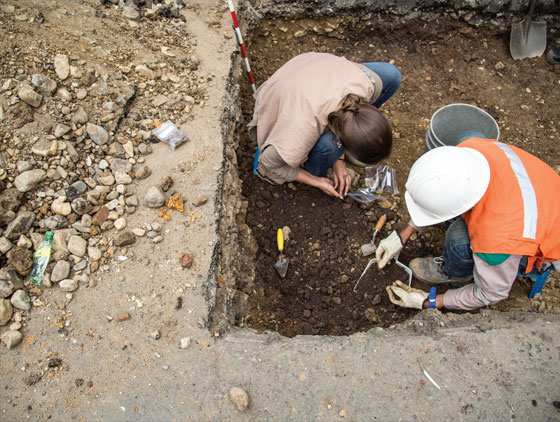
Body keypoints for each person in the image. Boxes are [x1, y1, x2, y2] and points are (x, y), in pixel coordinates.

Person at [375, 137, 560, 311]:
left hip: (538, 247)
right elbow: (441, 192)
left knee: (458, 240)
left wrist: (429, 301)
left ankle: (454, 272)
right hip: (537, 199)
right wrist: (402, 236)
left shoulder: (496, 242)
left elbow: (490, 294)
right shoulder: (470, 150)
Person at [247, 52, 401, 199]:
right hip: (284, 92)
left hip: (314, 74)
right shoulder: (299, 133)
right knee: (327, 146)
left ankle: (345, 145)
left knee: (391, 76)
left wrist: (339, 161)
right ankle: (315, 169)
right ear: (341, 137)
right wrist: (318, 182)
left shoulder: (366, 87)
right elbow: (268, 162)